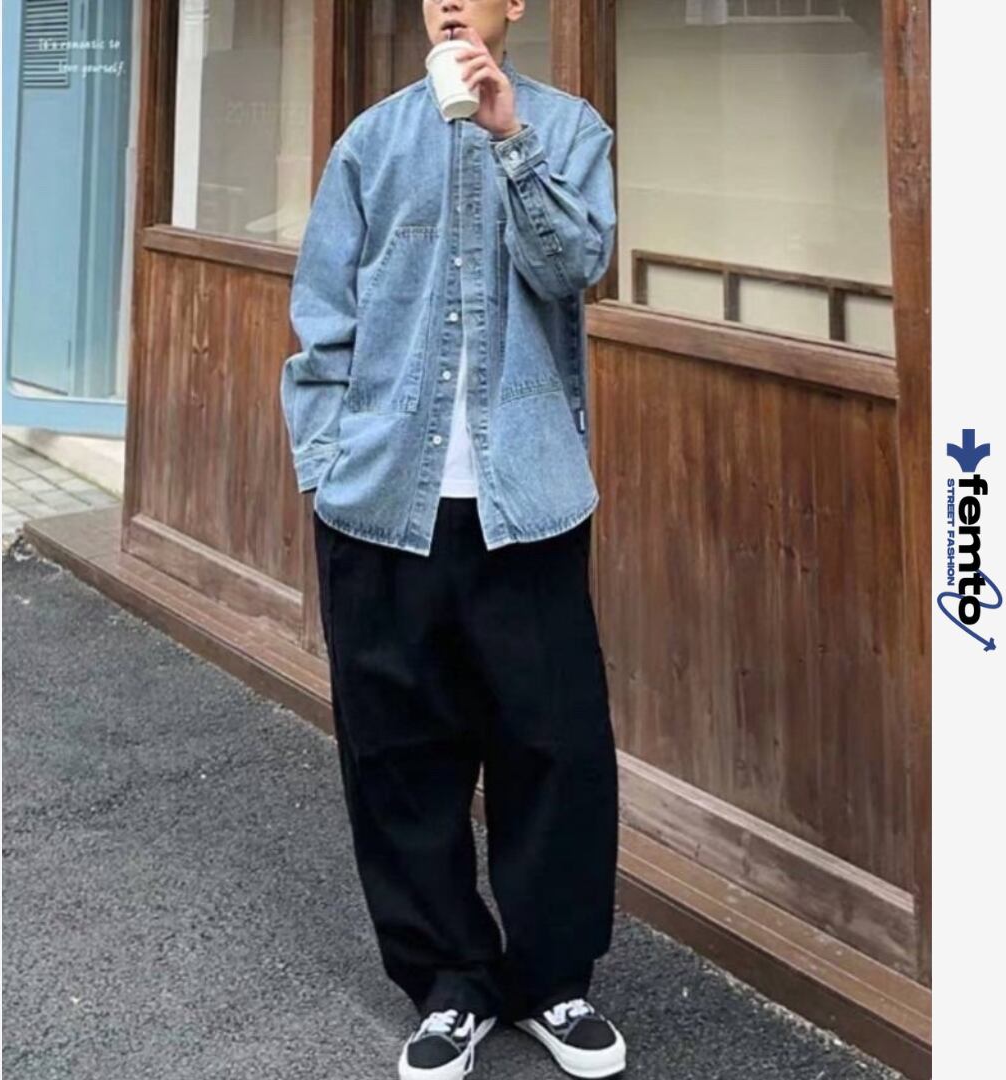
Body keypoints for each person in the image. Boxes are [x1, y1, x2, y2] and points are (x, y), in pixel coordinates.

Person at [279, 3, 625, 1077]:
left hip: (527, 501)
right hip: (384, 504)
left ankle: (553, 981)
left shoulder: (569, 129)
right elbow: (323, 320)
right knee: (399, 758)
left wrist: (509, 137)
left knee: (553, 749)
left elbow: (576, 266)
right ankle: (448, 984)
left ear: (515, 4)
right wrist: (326, 465)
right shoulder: (370, 141)